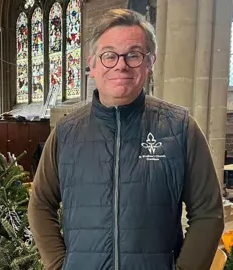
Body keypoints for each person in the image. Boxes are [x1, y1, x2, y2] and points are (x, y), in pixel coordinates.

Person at [28, 8, 224, 270]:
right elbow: (41, 203)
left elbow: (208, 213)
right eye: (109, 55)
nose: (120, 64)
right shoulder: (66, 133)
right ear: (93, 65)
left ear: (149, 63)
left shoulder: (180, 127)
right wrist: (59, 264)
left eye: (133, 55)